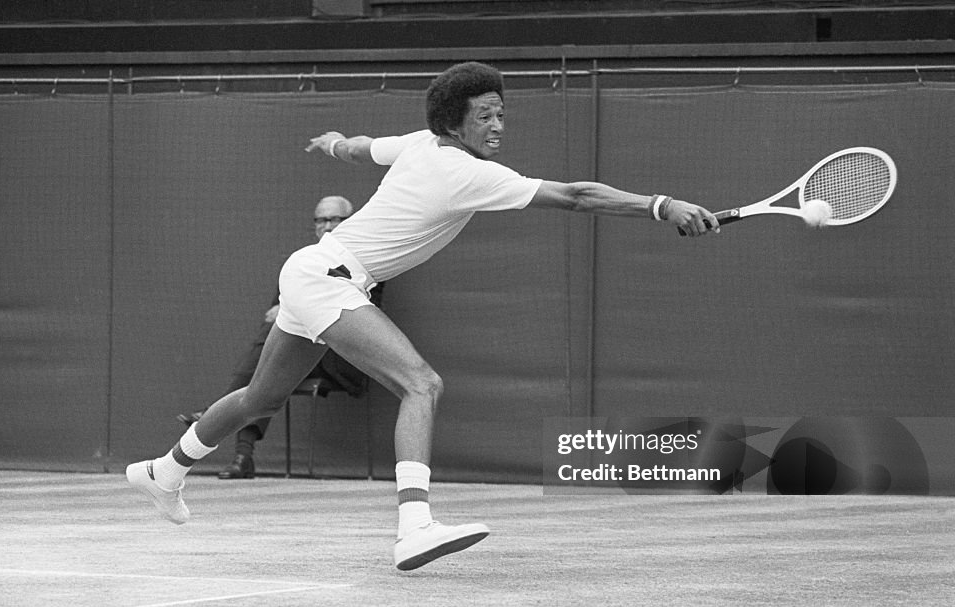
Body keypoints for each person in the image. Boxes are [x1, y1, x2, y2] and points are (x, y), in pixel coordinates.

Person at [127, 61, 719, 571]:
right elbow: (575, 195)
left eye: (502, 114)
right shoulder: (463, 170)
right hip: (327, 277)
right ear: (454, 121)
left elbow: (361, 149)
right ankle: (415, 526)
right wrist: (661, 206)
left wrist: (333, 144)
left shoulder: (421, 143)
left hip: (313, 272)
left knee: (259, 398)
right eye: (484, 115)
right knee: (422, 384)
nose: (497, 127)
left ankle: (163, 471)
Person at [176, 195, 380, 479]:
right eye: (321, 220)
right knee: (270, 362)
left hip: (341, 354)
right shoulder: (305, 262)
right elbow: (278, 314)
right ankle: (242, 457)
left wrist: (301, 309)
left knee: (272, 363)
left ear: (350, 222)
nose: (328, 226)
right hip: (303, 348)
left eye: (335, 219)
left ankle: (218, 415)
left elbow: (360, 315)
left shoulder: (366, 258)